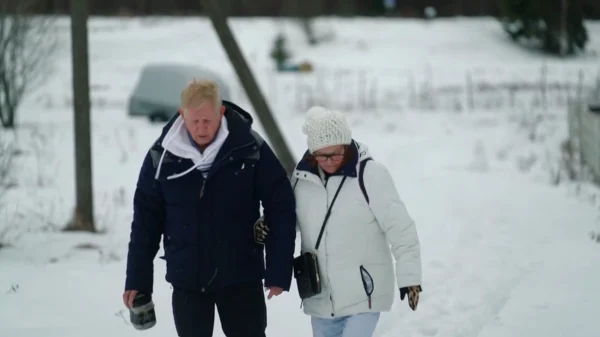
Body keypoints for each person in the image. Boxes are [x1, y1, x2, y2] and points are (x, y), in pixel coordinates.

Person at [122, 79, 297, 337]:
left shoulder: (248, 147)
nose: (202, 129)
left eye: (208, 121)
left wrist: (278, 270)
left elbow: (280, 203)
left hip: (241, 276)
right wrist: (137, 280)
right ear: (182, 115)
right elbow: (145, 223)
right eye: (195, 121)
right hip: (188, 279)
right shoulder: (162, 157)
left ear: (221, 112)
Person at [291, 106, 422, 337]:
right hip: (321, 297)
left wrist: (410, 278)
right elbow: (290, 219)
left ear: (346, 145)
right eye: (322, 155)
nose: (330, 161)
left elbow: (400, 228)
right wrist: (267, 223)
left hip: (364, 292)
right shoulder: (302, 179)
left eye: (336, 153)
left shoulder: (370, 175)